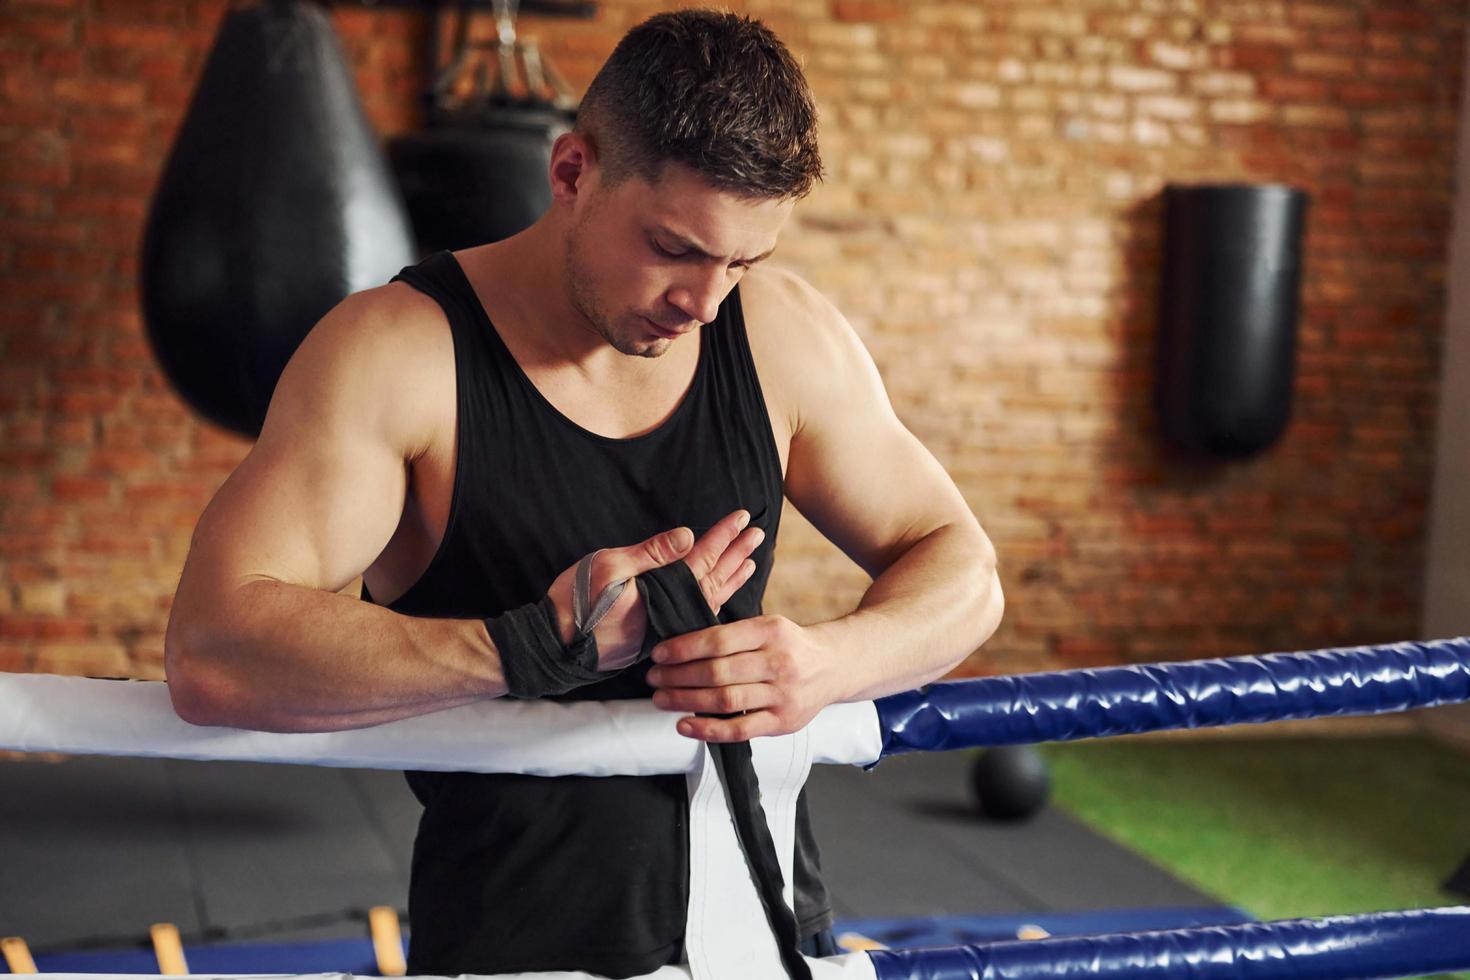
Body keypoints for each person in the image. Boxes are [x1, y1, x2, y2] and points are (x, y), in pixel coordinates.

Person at [163, 8, 1003, 978]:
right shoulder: (399, 357)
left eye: (742, 261)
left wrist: (825, 662)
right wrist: (523, 645)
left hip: (765, 941)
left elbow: (964, 568)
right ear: (571, 173)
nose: (705, 301)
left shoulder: (779, 336)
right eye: (677, 247)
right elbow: (211, 650)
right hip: (511, 951)